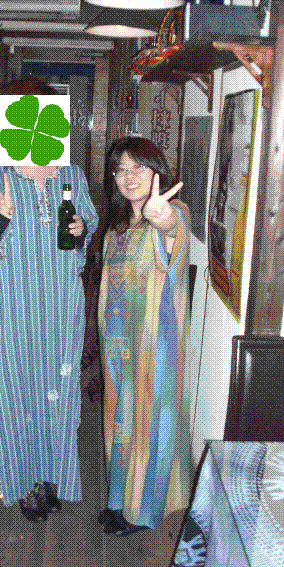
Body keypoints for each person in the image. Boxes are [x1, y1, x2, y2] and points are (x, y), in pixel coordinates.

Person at [0, 78, 98, 522]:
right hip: (14, 307)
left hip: (61, 306)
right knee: (16, 395)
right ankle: (24, 484)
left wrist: (81, 230)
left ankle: (51, 476)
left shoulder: (71, 176)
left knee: (58, 395)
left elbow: (86, 233)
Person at [97, 136, 191, 536]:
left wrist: (162, 217)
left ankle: (144, 511)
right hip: (118, 343)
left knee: (148, 422)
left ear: (158, 172)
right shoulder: (118, 227)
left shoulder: (172, 213)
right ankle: (121, 500)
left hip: (153, 343)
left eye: (138, 167)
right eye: (120, 169)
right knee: (120, 422)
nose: (128, 176)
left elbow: (173, 230)